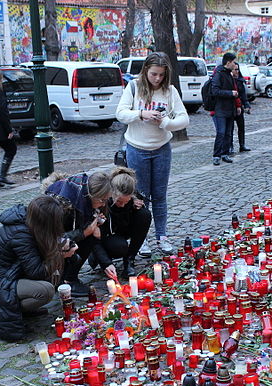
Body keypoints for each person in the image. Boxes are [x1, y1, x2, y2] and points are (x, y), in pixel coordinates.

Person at [0, 195, 77, 341]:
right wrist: (61, 256)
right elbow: (37, 272)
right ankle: (15, 309)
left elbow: (51, 241)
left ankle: (22, 308)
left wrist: (65, 244)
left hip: (11, 276)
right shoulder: (21, 234)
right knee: (45, 290)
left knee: (47, 284)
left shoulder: (29, 224)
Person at [116, 52, 188, 255]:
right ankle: (142, 238)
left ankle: (162, 236)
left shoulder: (170, 91)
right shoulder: (134, 87)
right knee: (140, 196)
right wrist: (141, 114)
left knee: (159, 195)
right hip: (137, 148)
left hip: (161, 149)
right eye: (154, 74)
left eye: (162, 75)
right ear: (146, 70)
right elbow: (120, 114)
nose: (157, 79)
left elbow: (184, 119)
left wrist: (165, 123)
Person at [45, 171, 112, 296]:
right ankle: (64, 279)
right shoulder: (64, 204)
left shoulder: (85, 199)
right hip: (51, 247)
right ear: (91, 195)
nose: (104, 204)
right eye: (102, 200)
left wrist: (96, 224)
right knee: (89, 235)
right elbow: (55, 239)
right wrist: (85, 232)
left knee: (93, 234)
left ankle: (70, 277)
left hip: (71, 235)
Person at [89, 167, 152, 280]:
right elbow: (94, 236)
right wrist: (106, 263)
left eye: (126, 202)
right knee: (120, 247)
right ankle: (99, 257)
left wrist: (133, 206)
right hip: (106, 236)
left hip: (122, 231)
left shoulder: (133, 198)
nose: (122, 205)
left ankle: (129, 260)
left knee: (144, 214)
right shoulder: (101, 202)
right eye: (118, 201)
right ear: (111, 193)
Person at [210, 52, 238, 165]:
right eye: (234, 62)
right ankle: (216, 155)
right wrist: (230, 93)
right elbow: (215, 91)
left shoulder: (229, 74)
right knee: (221, 133)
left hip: (230, 109)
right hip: (220, 109)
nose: (235, 65)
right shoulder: (219, 74)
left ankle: (225, 153)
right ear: (228, 62)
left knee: (228, 133)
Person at [231, 62, 251, 154]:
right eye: (235, 69)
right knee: (230, 128)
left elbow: (243, 94)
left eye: (238, 69)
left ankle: (242, 145)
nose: (237, 71)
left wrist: (246, 105)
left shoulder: (240, 81)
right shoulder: (229, 80)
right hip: (231, 107)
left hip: (239, 107)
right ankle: (230, 146)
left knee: (241, 127)